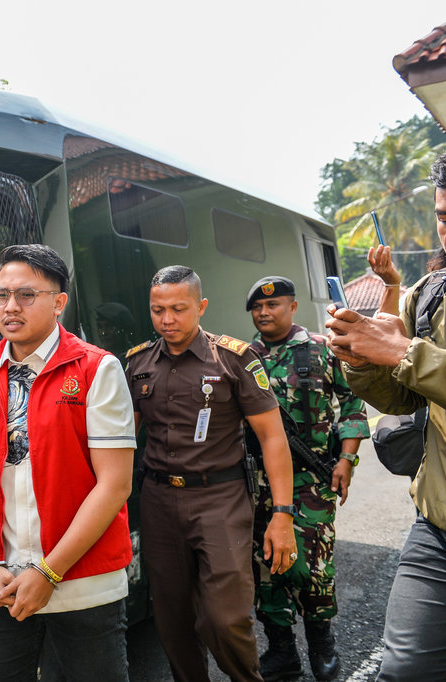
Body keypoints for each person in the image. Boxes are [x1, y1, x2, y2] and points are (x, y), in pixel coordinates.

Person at [0, 243, 136, 681]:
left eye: (26, 295)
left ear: (59, 302)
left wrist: (49, 572)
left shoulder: (96, 369)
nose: (10, 306)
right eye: (1, 295)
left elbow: (114, 485)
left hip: (83, 585)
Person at [326, 137, 446, 682]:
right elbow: (402, 398)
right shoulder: (429, 295)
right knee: (402, 673)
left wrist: (405, 352)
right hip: (441, 537)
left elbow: (411, 361)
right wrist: (360, 360)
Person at [125, 265, 296, 682]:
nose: (167, 320)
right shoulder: (137, 363)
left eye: (178, 309)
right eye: (157, 310)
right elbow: (124, 440)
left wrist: (283, 514)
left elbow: (273, 437)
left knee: (225, 617)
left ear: (200, 307)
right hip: (159, 500)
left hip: (220, 499)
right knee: (173, 618)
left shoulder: (235, 358)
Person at [245, 276, 370, 681]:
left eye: (274, 305)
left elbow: (353, 404)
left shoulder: (319, 349)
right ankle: (282, 652)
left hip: (312, 481)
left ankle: (323, 647)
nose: (265, 313)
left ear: (293, 307)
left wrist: (346, 461)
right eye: (258, 308)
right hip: (259, 485)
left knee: (312, 570)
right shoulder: (244, 358)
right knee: (266, 568)